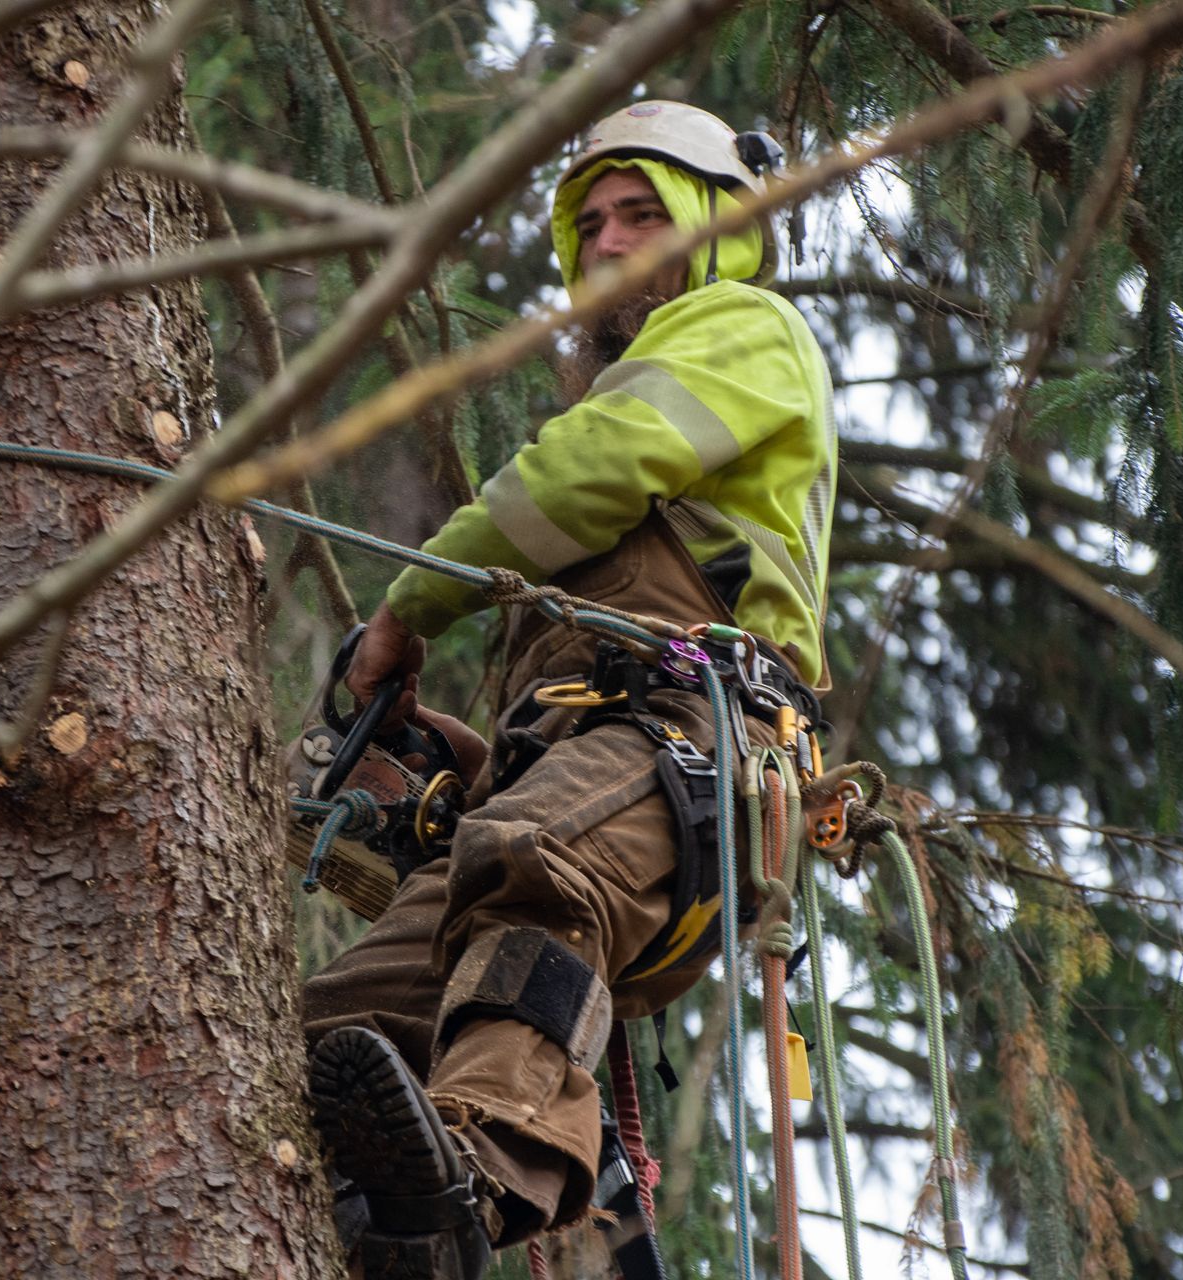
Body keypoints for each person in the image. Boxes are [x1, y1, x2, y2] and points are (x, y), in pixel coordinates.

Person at [303, 102, 837, 1277]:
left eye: (642, 212)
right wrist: (476, 754)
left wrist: (408, 609)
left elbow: (597, 468)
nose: (608, 240)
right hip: (591, 758)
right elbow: (580, 697)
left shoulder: (746, 327)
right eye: (588, 222)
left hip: (699, 732)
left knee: (535, 859)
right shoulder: (631, 395)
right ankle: (343, 1209)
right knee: (322, 1026)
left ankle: (477, 1169)